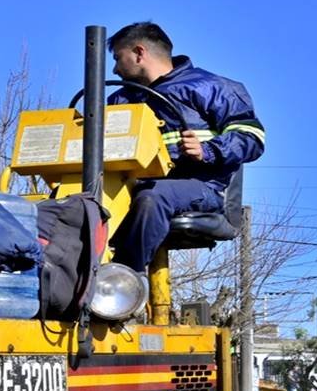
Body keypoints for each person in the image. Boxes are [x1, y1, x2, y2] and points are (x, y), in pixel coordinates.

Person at [106, 22, 265, 272]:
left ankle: (122, 282)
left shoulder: (209, 87)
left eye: (117, 58)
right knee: (70, 205)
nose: (114, 69)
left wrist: (208, 150)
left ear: (139, 52)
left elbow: (251, 137)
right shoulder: (119, 100)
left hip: (200, 188)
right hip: (130, 186)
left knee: (152, 197)